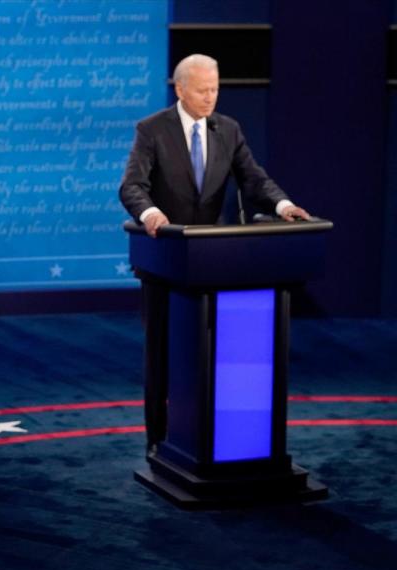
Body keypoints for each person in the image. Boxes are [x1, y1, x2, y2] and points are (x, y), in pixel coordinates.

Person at [118, 53, 311, 454]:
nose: (210, 97)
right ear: (181, 89)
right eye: (203, 90)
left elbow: (253, 178)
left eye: (216, 89)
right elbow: (132, 186)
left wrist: (283, 206)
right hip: (165, 259)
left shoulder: (228, 129)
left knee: (209, 355)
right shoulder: (152, 130)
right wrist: (151, 214)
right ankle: (157, 439)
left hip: (213, 263)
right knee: (161, 354)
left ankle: (205, 438)